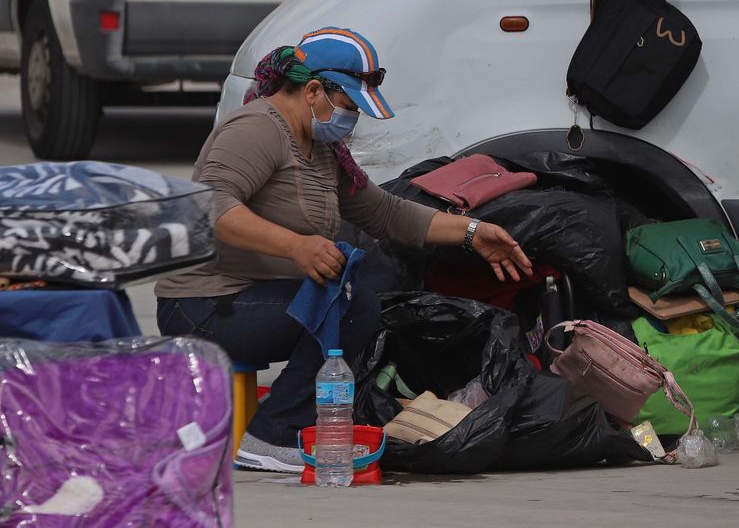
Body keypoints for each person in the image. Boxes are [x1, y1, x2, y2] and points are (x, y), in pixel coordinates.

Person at [156, 27, 534, 473]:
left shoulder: (321, 149)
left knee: (371, 285)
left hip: (254, 299)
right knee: (349, 306)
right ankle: (272, 436)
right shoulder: (257, 129)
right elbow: (209, 207)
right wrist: (297, 246)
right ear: (314, 90)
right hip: (202, 304)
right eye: (350, 107)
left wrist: (472, 232)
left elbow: (388, 213)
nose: (352, 120)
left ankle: (303, 420)